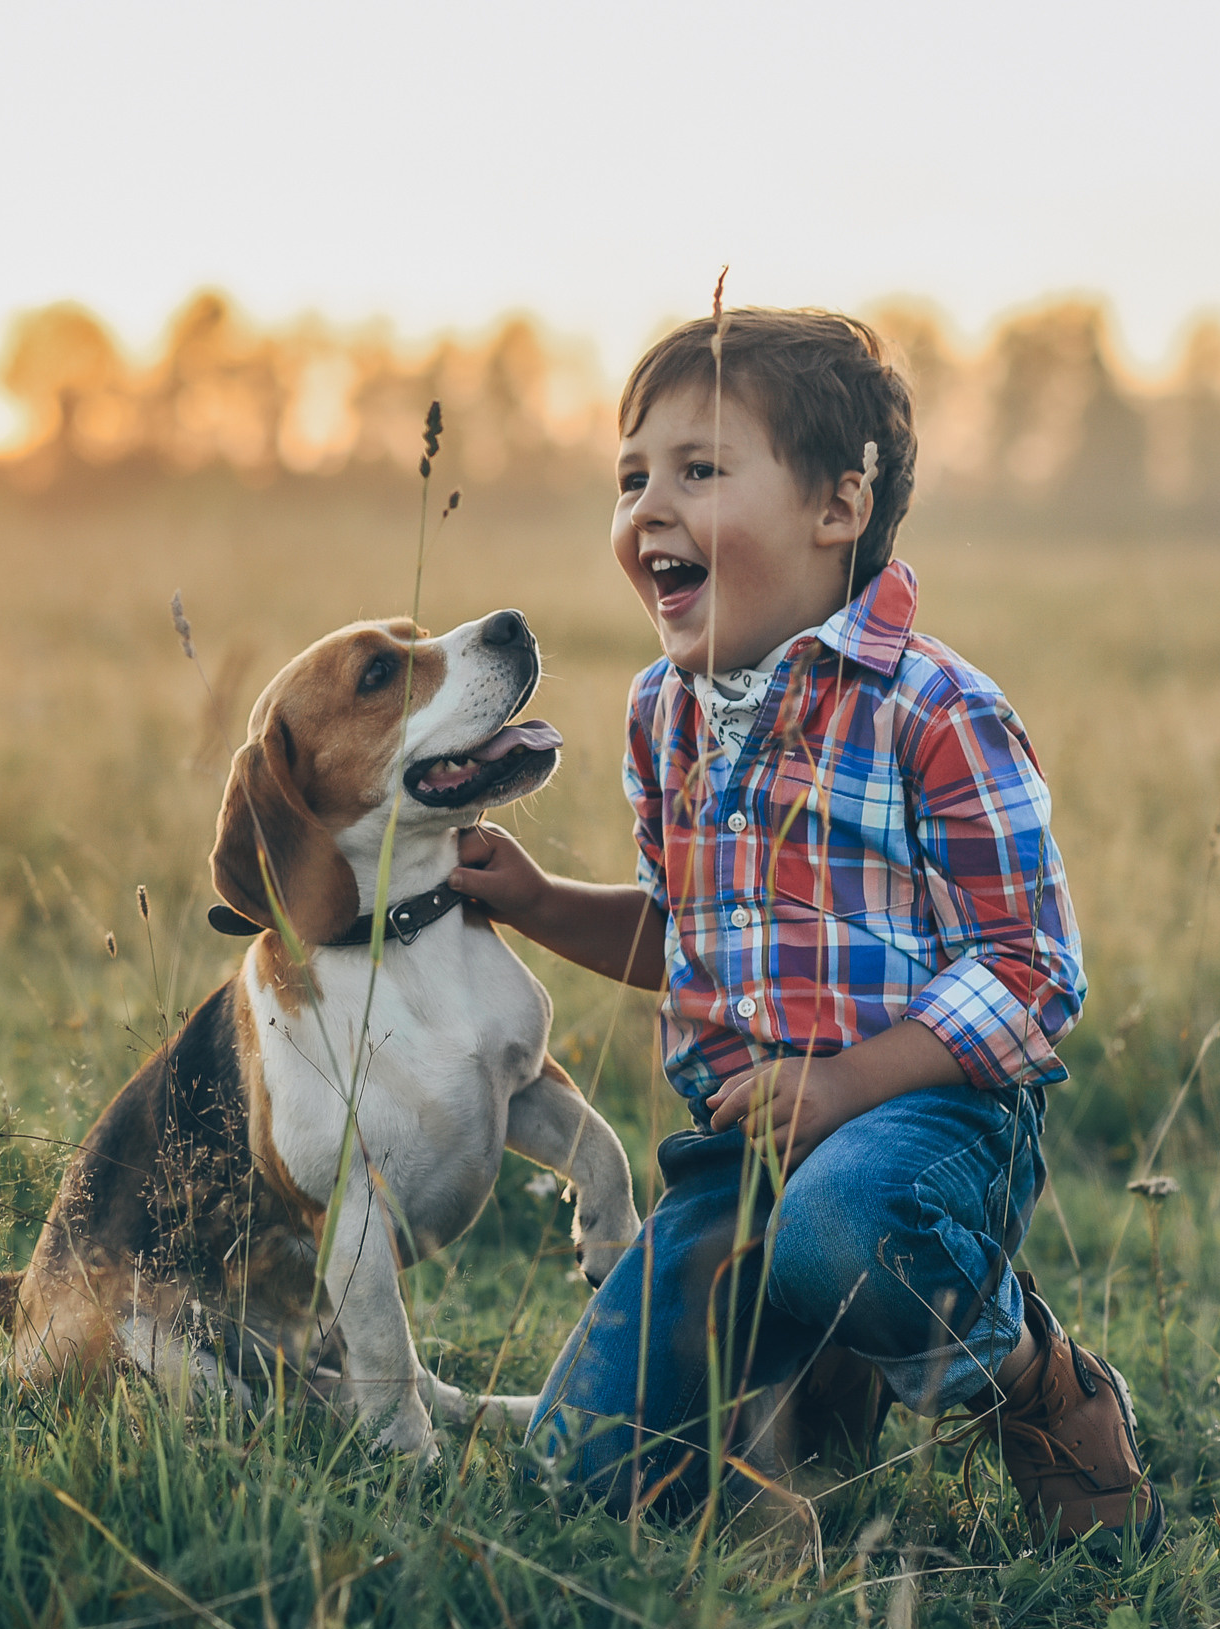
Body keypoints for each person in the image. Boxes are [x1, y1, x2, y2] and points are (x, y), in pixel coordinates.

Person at [448, 306, 1160, 1549]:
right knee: (573, 1470)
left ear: (836, 508)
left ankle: (1039, 1383)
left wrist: (848, 1082)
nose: (646, 510)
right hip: (741, 1157)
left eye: (699, 470)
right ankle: (805, 1386)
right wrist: (535, 900)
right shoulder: (662, 714)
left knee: (844, 1229)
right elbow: (689, 940)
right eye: (631, 477)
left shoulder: (933, 709)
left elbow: (1035, 972)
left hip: (929, 1129)